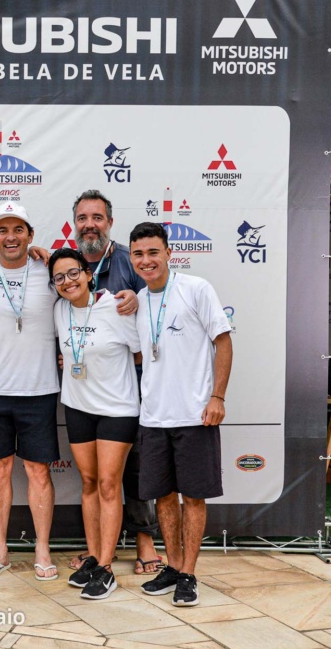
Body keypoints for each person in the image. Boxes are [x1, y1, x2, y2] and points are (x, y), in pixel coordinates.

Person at [129, 222, 232, 607]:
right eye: (138, 254)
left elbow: (223, 342)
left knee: (194, 498)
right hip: (154, 417)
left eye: (153, 252)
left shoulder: (196, 289)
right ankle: (172, 566)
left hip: (195, 416)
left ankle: (188, 573)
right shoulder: (138, 301)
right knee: (163, 498)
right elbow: (139, 353)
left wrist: (217, 396)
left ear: (169, 253)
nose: (146, 260)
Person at [0, 203, 60, 582]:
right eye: (3, 230)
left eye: (19, 229)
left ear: (31, 235)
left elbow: (86, 292)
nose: (11, 237)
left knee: (38, 471)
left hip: (39, 388)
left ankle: (42, 550)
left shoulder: (50, 270)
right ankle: (0, 549)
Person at [70, 189, 163, 577]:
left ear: (110, 222)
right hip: (85, 388)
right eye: (82, 218)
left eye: (97, 218)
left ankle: (144, 539)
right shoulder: (70, 265)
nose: (89, 225)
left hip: (133, 384)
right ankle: (96, 549)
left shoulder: (130, 261)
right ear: (74, 224)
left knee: (136, 466)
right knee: (94, 477)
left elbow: (160, 299)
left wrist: (139, 300)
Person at [49, 248, 141, 600]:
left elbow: (139, 352)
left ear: (89, 274)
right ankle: (93, 556)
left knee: (107, 484)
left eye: (74, 273)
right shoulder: (59, 309)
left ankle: (106, 567)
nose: (67, 281)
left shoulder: (116, 306)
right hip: (77, 406)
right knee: (88, 482)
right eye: (59, 277)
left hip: (117, 408)